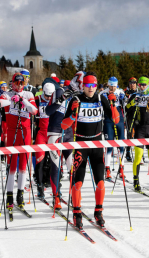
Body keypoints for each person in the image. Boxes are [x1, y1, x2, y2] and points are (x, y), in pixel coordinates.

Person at [61, 72, 120, 229]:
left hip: (96, 144)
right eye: (87, 85)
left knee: (100, 181)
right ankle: (77, 213)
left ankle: (98, 212)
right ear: (82, 86)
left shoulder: (101, 99)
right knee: (78, 182)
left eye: (93, 85)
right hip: (81, 144)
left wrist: (113, 105)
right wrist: (73, 116)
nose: (91, 88)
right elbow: (64, 126)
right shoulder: (76, 99)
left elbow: (116, 120)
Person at [45, 71, 84, 210]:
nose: (83, 87)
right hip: (54, 132)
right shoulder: (60, 90)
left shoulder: (80, 96)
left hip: (68, 133)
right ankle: (56, 197)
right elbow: (47, 111)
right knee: (56, 166)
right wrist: (60, 99)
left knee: (72, 166)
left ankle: (75, 196)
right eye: (81, 84)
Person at [0, 73, 38, 210]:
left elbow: (34, 110)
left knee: (23, 164)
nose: (20, 85)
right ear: (13, 83)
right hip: (12, 131)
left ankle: (20, 194)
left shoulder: (28, 94)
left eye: (22, 83)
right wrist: (12, 101)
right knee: (11, 165)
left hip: (26, 131)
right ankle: (9, 196)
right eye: (17, 83)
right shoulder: (7, 95)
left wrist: (23, 101)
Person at [125, 75, 149, 191]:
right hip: (140, 129)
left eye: (144, 85)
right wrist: (132, 103)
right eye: (140, 85)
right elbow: (126, 108)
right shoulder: (135, 95)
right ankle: (136, 181)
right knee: (138, 156)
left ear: (148, 85)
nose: (142, 87)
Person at [101, 77, 126, 180]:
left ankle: (121, 169)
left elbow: (125, 105)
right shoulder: (103, 93)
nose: (112, 88)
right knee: (109, 145)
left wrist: (123, 99)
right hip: (108, 120)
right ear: (108, 85)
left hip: (119, 119)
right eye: (111, 86)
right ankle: (107, 169)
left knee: (121, 145)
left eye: (114, 86)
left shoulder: (120, 92)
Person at [34, 82, 55, 199]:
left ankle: (52, 183)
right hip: (41, 133)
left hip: (52, 133)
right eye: (46, 96)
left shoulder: (55, 99)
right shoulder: (37, 99)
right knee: (40, 161)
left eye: (50, 97)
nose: (48, 99)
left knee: (53, 160)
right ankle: (40, 186)